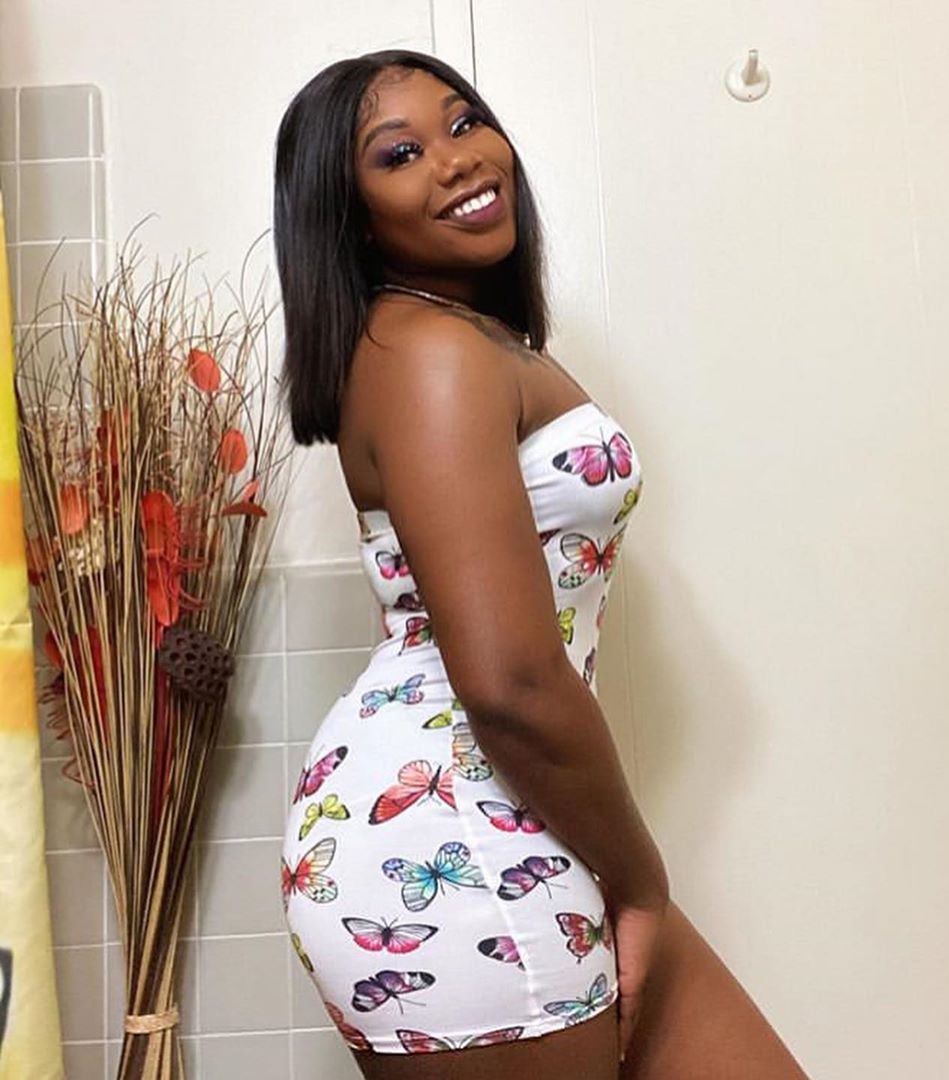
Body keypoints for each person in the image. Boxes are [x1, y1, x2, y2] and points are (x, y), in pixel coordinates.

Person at [273, 48, 811, 1080]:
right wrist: (641, 881)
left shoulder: (464, 336)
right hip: (456, 844)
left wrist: (625, 875)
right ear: (350, 217)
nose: (457, 160)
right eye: (400, 153)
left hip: (525, 819)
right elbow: (510, 679)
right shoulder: (426, 355)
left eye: (463, 121)